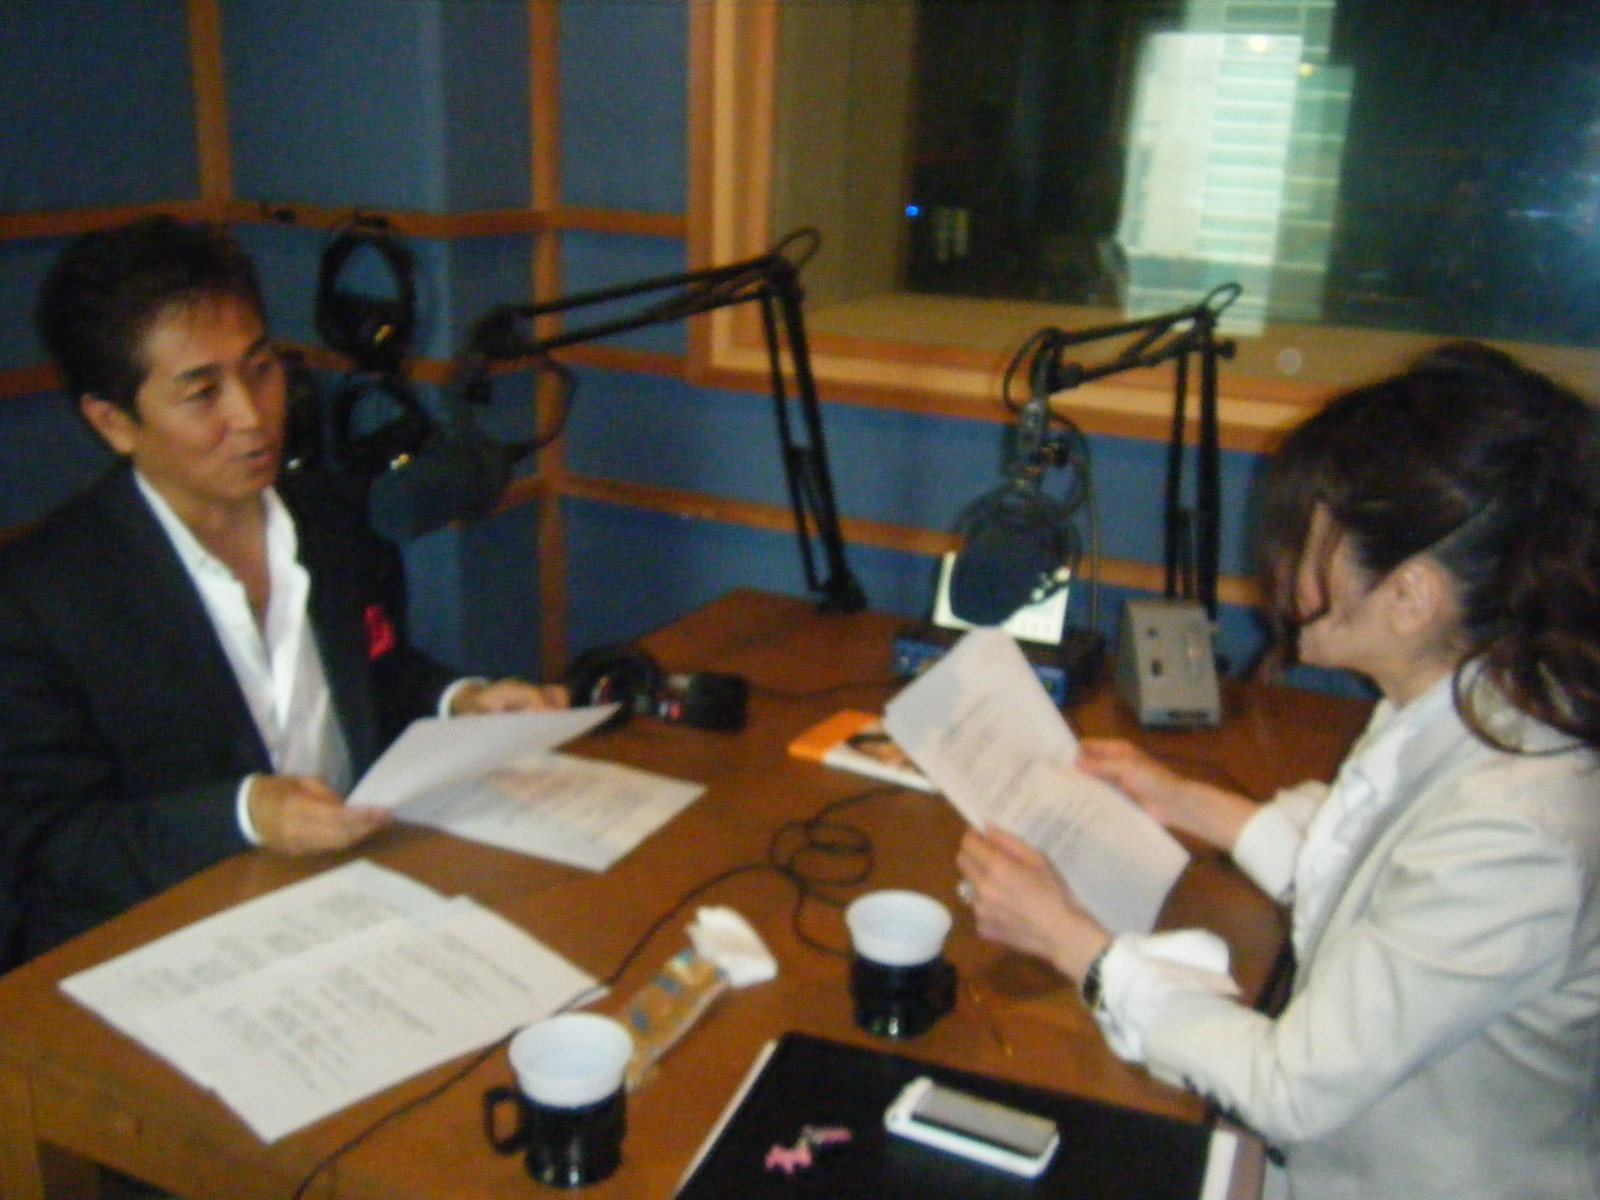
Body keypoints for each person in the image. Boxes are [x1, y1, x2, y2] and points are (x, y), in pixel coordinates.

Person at [958, 342, 1600, 1200]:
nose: (1285, 566)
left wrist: (1071, 941)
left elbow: (1289, 1088)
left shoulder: (1517, 829)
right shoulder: (1484, 691)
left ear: (1411, 597)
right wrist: (1183, 800)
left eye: (1310, 542)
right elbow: (1382, 866)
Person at [0, 216, 564, 965]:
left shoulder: (334, 517)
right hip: (175, 943)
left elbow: (373, 678)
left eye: (260, 369)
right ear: (114, 423)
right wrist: (244, 814)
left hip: (350, 902)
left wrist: (459, 703)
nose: (252, 416)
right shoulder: (41, 598)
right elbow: (48, 843)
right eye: (203, 393)